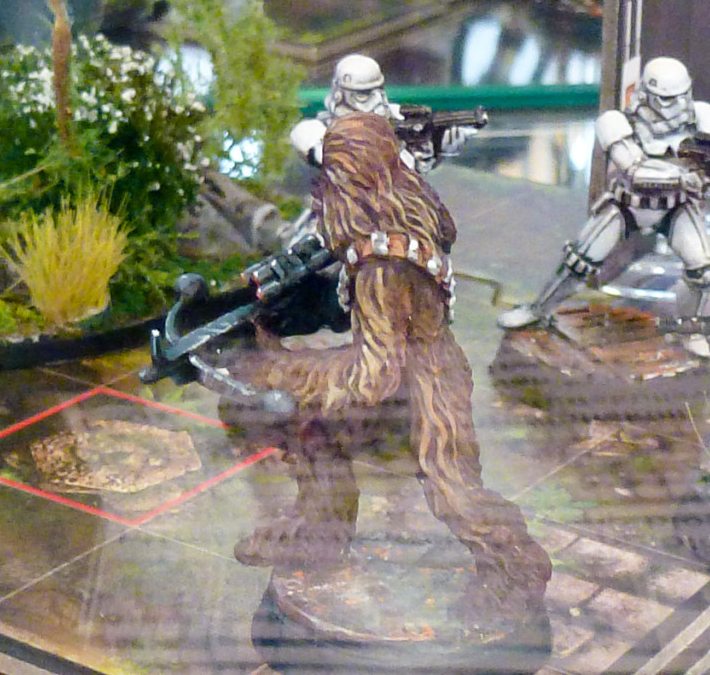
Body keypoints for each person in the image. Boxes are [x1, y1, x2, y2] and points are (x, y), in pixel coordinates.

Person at [231, 112, 551, 620]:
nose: (318, 194)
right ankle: (318, 531)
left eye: (327, 180)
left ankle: (514, 568)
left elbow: (373, 377)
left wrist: (289, 372)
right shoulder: (405, 224)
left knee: (453, 492)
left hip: (424, 389)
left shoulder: (379, 268)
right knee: (314, 432)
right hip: (424, 371)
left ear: (349, 183)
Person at [499, 56, 710, 329]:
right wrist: (685, 177)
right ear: (646, 94)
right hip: (628, 205)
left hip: (676, 207)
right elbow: (636, 171)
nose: (674, 107)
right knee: (579, 263)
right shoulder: (617, 121)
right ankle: (539, 310)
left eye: (680, 97)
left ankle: (689, 329)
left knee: (704, 273)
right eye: (665, 99)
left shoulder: (704, 118)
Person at [290, 53, 477, 175]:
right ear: (341, 95)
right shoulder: (316, 129)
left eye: (378, 90)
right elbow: (331, 157)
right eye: (364, 94)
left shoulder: (396, 116)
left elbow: (414, 171)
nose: (377, 99)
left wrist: (439, 147)